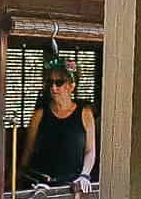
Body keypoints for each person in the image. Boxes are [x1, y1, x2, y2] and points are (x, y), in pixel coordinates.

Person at [20, 58, 96, 187]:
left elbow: (90, 151)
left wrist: (84, 176)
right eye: (50, 82)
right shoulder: (40, 113)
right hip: (41, 184)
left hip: (71, 184)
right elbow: (29, 149)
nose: (53, 87)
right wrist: (19, 176)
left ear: (71, 86)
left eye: (59, 82)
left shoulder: (85, 113)